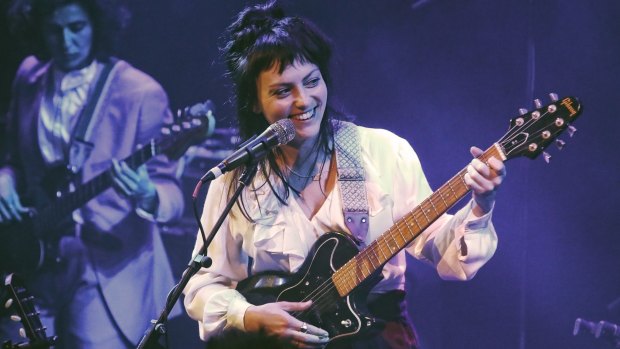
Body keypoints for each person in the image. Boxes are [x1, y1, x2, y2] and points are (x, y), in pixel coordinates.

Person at [183, 1, 506, 348]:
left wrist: (480, 204)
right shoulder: (236, 180)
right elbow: (201, 286)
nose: (303, 100)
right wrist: (248, 315)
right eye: (282, 91)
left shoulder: (382, 152)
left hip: (371, 335)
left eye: (311, 82)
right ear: (253, 101)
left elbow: (445, 255)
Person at [0, 0, 184, 348]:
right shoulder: (29, 76)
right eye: (54, 30)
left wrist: (148, 194)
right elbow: (14, 155)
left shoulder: (140, 93)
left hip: (109, 270)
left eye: (76, 28)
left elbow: (171, 192)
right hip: (35, 261)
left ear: (97, 24)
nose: (66, 41)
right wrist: (5, 176)